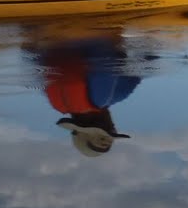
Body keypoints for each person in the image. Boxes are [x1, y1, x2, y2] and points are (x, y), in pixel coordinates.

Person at [27, 25, 139, 157]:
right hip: (48, 36)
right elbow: (31, 59)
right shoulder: (56, 102)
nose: (113, 124)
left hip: (92, 30)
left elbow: (106, 53)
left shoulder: (108, 97)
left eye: (111, 127)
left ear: (105, 125)